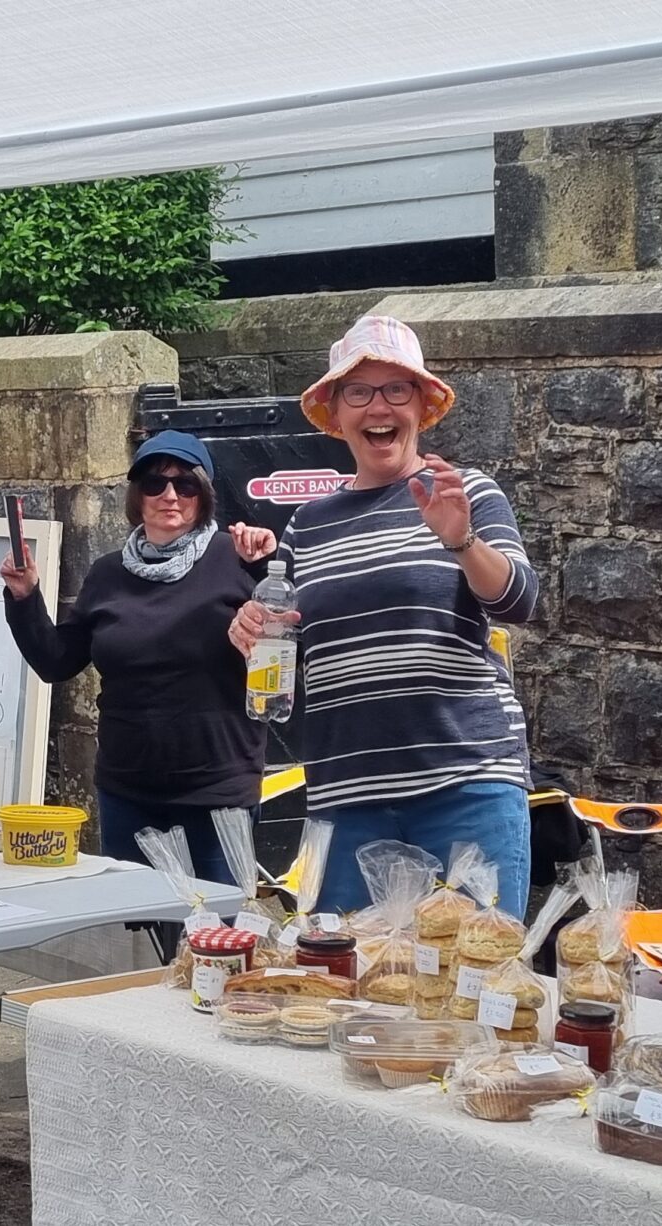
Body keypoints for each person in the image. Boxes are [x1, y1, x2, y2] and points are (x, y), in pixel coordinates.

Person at [229, 316, 539, 918]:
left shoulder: (465, 491)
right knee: (351, 989)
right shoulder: (309, 523)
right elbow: (283, 637)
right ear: (336, 413)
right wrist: (251, 629)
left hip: (464, 785)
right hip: (347, 799)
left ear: (422, 407)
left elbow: (519, 601)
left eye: (397, 390)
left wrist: (462, 540)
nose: (380, 406)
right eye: (359, 391)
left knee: (470, 984)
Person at [0, 431, 277, 884]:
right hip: (129, 791)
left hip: (217, 788)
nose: (170, 495)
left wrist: (265, 568)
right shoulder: (108, 574)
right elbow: (56, 661)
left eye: (185, 484)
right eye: (154, 483)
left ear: (203, 495)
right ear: (137, 496)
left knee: (216, 940)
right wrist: (25, 596)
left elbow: (289, 642)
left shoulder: (236, 558)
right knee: (139, 939)